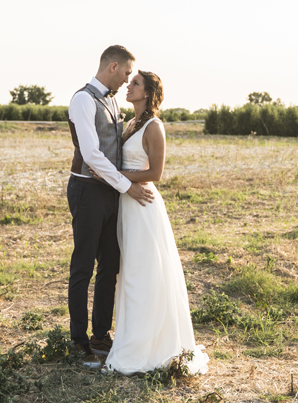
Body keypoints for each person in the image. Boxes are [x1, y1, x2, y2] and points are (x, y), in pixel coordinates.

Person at [102, 70, 209, 375]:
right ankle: (131, 337)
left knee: (143, 272)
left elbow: (156, 173)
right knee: (130, 273)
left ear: (147, 93)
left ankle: (148, 348)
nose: (128, 86)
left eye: (134, 83)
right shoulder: (131, 123)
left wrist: (115, 177)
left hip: (143, 206)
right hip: (127, 202)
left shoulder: (153, 126)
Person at [67, 45, 155, 364]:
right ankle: (79, 341)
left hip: (110, 194)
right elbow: (91, 154)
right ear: (113, 66)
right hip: (87, 191)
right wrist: (127, 185)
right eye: (127, 73)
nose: (128, 79)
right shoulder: (82, 99)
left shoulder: (113, 100)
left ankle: (101, 336)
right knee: (83, 266)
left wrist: (121, 186)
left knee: (110, 266)